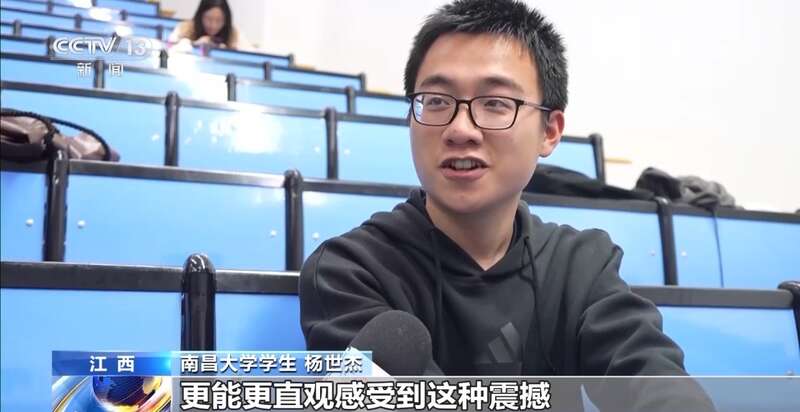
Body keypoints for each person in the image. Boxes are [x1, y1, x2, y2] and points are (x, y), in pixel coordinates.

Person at [300, 0, 714, 409]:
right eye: (437, 101)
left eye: (496, 103)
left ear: (550, 132)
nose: (460, 129)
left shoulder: (581, 266)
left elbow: (653, 378)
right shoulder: (349, 271)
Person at [167, 0, 253, 52]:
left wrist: (229, 52)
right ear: (200, 16)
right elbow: (168, 52)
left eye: (219, 20)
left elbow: (252, 55)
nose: (213, 25)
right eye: (208, 19)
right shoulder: (184, 29)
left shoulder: (234, 35)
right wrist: (194, 45)